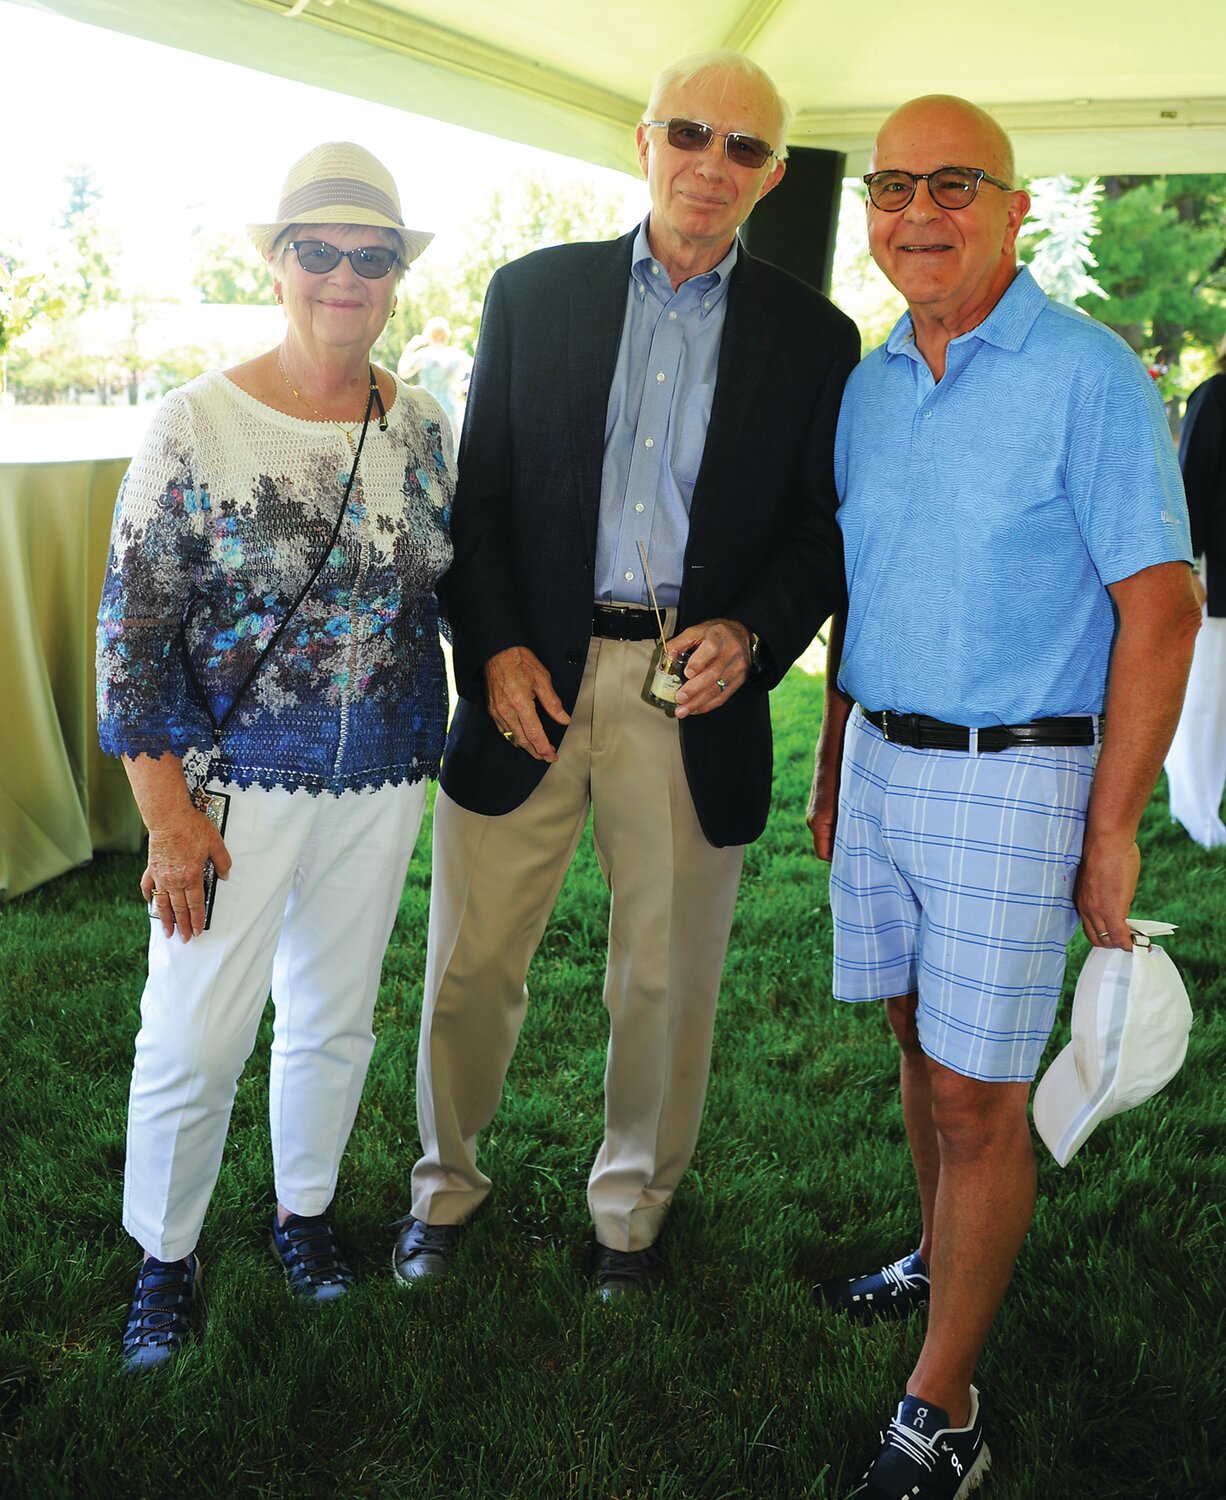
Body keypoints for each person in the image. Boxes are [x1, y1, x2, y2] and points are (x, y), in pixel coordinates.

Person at [393, 50, 859, 1297]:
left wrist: (754, 635)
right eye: (692, 135)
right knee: (472, 960)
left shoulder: (816, 339)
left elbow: (821, 530)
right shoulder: (531, 295)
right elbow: (474, 499)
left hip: (684, 691)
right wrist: (488, 646)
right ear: (642, 142)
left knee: (662, 976)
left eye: (746, 148)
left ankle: (630, 1221)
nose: (714, 164)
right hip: (525, 679)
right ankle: (441, 1192)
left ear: (769, 176)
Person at [805, 96, 1199, 1497]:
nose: (918, 211)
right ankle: (934, 1261)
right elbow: (863, 589)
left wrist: (1109, 830)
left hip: (1016, 775)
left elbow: (1160, 609)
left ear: (1014, 208)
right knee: (919, 1053)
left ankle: (944, 1405)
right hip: (889, 764)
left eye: (952, 184)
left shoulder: (1088, 378)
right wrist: (835, 752)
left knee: (980, 1100)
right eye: (893, 184)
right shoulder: (868, 382)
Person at [96, 141, 455, 1372]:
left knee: (334, 1018)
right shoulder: (193, 424)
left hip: (388, 771)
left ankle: (302, 1215)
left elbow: (451, 583)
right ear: (277, 262)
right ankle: (165, 1252)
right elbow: (131, 637)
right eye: (319, 251)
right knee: (194, 1032)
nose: (344, 276)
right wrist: (167, 818)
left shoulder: (420, 423)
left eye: (371, 256)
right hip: (230, 787)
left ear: (397, 276)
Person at [1165, 337, 1226, 847]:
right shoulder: (1215, 396)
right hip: (1217, 580)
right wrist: (1189, 568)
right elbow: (1190, 486)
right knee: (1204, 706)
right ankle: (1198, 817)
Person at [397, 316, 472, 436]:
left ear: (429, 334)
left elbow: (403, 372)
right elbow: (479, 373)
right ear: (447, 334)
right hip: (449, 407)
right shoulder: (456, 354)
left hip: (425, 407)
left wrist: (410, 347)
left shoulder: (423, 355)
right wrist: (461, 387)